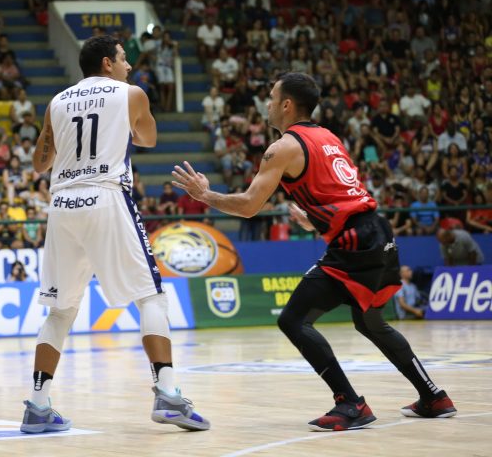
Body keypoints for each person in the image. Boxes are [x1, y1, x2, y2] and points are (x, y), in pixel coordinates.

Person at [172, 72, 455, 431]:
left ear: (287, 105)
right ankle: (433, 396)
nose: (267, 104)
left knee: (292, 320)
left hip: (355, 241)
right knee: (370, 321)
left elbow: (248, 206)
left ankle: (350, 404)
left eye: (272, 98)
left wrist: (205, 195)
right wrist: (316, 221)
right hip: (378, 231)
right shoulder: (328, 137)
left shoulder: (282, 148)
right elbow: (344, 193)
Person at [21, 35, 209, 434]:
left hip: (62, 203)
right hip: (106, 195)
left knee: (60, 311)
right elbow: (148, 139)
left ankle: (37, 406)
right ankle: (168, 394)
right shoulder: (131, 93)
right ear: (107, 63)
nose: (129, 66)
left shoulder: (57, 102)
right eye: (123, 59)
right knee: (151, 296)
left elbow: (40, 163)